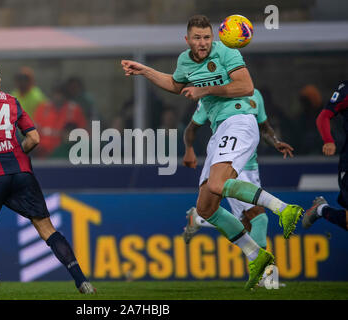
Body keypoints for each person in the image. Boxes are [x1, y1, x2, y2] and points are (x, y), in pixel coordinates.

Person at [121, 14, 303, 290]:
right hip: (221, 131)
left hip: (240, 122)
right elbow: (175, 84)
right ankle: (257, 256)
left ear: (213, 37)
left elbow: (246, 86)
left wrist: (204, 89)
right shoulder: (184, 61)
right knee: (206, 207)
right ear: (187, 40)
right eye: (197, 38)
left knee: (221, 187)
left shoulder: (227, 51)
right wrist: (145, 70)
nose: (203, 42)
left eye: (207, 37)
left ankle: (285, 209)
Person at [0, 61, 95, 294]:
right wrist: (16, 152)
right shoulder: (12, 101)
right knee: (46, 228)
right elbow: (34, 139)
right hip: (22, 172)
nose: (0, 80)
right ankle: (82, 281)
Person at [182, 88, 294, 263]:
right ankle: (265, 273)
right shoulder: (210, 96)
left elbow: (264, 127)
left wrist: (276, 142)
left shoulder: (255, 94)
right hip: (230, 162)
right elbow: (191, 128)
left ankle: (199, 218)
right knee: (259, 218)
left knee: (245, 224)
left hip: (251, 165)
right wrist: (189, 150)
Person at [303, 80, 348, 231]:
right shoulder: (346, 90)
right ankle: (321, 209)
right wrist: (328, 141)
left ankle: (321, 209)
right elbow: (323, 117)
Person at [33, 85, 88, 158]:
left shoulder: (75, 110)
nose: (58, 97)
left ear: (66, 95)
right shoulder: (42, 108)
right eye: (56, 94)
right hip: (42, 154)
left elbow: (83, 134)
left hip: (65, 155)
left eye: (61, 94)